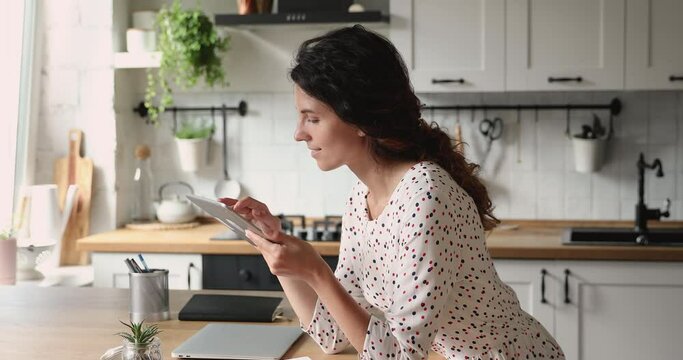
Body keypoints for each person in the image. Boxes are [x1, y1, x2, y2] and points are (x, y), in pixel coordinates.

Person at [220, 25, 565, 360]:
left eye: (312, 119)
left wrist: (316, 271)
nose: (299, 133)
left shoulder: (426, 197)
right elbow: (332, 336)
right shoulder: (361, 199)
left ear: (357, 119)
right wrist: (279, 252)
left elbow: (400, 355)